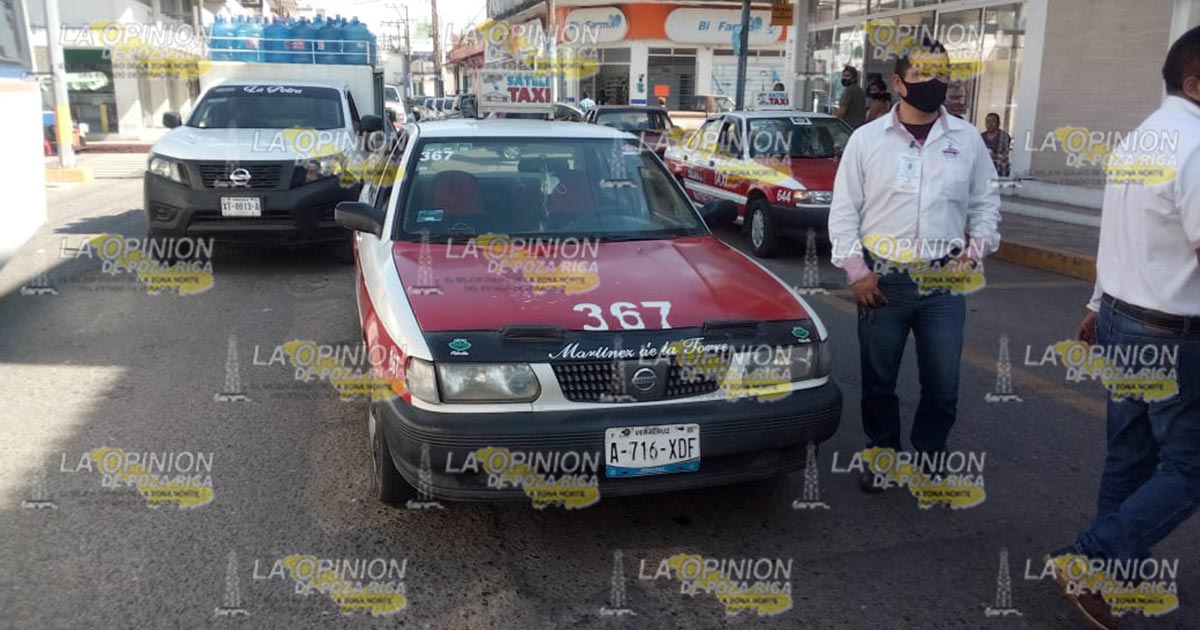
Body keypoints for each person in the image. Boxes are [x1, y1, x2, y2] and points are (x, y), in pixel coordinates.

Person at [1049, 26, 1200, 630]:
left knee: (1130, 456)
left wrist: (1095, 303)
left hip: (1121, 319)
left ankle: (1112, 570)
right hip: (1169, 334)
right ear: (1196, 83)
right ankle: (1091, 560)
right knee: (1189, 468)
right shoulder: (1194, 145)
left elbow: (1121, 231)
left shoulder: (1142, 137)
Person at [827, 39, 1001, 492]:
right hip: (883, 280)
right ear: (900, 83)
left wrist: (974, 251)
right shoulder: (867, 141)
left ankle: (929, 457)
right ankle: (883, 455)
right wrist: (856, 271)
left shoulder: (966, 140)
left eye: (943, 72)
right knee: (879, 381)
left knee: (943, 384)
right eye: (925, 74)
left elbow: (986, 203)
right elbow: (844, 211)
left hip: (944, 282)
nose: (937, 81)